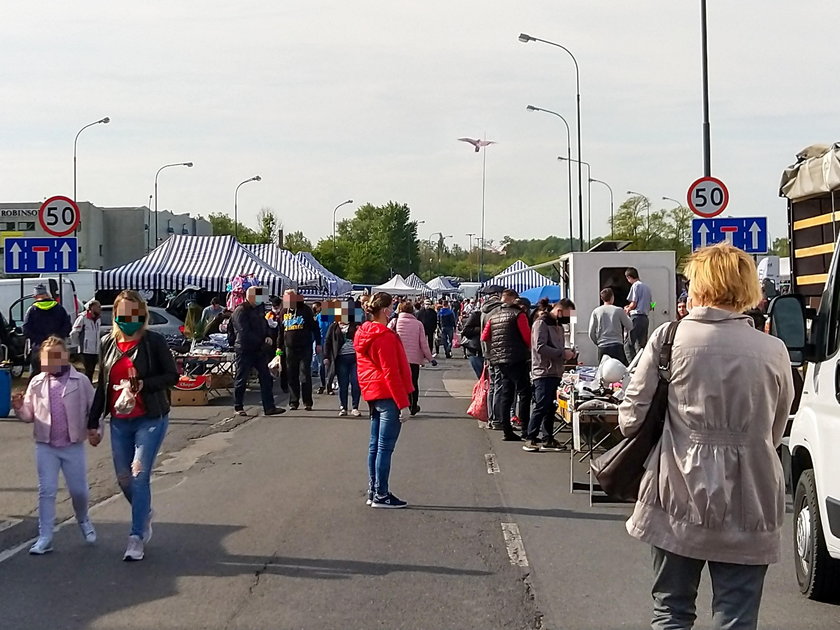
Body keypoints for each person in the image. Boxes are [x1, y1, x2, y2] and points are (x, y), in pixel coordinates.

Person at [619, 243, 794, 629]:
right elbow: (776, 429)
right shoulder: (774, 350)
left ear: (697, 284)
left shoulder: (669, 339)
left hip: (678, 491)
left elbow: (631, 419)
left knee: (671, 611)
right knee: (737, 617)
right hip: (752, 494)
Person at [87, 290, 180, 561]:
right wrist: (93, 422)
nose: (129, 319)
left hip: (151, 418)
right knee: (124, 479)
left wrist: (143, 385)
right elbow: (102, 386)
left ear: (142, 315)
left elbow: (172, 375)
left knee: (139, 474)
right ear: (115, 315)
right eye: (123, 314)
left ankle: (136, 536)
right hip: (120, 421)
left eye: (134, 314)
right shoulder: (108, 343)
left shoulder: (154, 341)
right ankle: (145, 511)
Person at [14, 336, 97, 554]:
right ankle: (45, 536)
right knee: (47, 490)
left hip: (72, 445)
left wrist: (95, 431)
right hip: (46, 445)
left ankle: (83, 518)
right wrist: (19, 407)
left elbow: (94, 411)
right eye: (47, 357)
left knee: (79, 491)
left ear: (66, 356)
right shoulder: (37, 382)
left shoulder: (81, 381)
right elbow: (29, 415)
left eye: (57, 356)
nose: (52, 361)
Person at [354, 292, 414, 508]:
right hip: (387, 393)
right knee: (385, 447)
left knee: (375, 446)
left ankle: (374, 490)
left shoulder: (364, 332)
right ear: (387, 310)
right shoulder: (384, 336)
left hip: (373, 392)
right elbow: (391, 372)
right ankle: (381, 493)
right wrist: (404, 403)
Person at [481, 289, 531, 441]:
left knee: (506, 393)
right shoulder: (519, 315)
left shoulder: (494, 316)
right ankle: (525, 428)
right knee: (524, 392)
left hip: (498, 359)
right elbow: (527, 338)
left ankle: (506, 430)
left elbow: (484, 336)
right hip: (516, 357)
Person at [228, 287, 285, 418]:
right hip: (245, 349)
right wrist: (261, 341)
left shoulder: (259, 309)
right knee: (242, 377)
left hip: (259, 350)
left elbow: (264, 325)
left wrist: (268, 336)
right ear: (251, 296)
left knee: (266, 377)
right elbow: (244, 332)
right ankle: (238, 406)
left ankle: (269, 407)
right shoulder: (240, 310)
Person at [522, 303, 567, 452]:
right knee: (541, 405)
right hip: (543, 371)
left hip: (555, 370)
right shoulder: (541, 324)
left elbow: (557, 347)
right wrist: (561, 353)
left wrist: (567, 352)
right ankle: (530, 437)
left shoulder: (558, 326)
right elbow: (540, 347)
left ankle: (548, 438)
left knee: (550, 406)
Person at [389, 301, 433, 415]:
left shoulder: (395, 322)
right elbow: (423, 343)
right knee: (413, 383)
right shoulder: (418, 324)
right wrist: (430, 358)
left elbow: (385, 336)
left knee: (398, 383)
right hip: (413, 360)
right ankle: (413, 406)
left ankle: (399, 405)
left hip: (397, 358)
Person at [282, 289, 320, 410]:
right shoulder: (283, 311)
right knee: (292, 375)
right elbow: (280, 331)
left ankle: (307, 401)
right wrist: (278, 349)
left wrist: (318, 343)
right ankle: (293, 401)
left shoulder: (305, 310)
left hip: (304, 347)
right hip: (289, 348)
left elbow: (315, 328)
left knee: (304, 374)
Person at [23, 284, 71, 376]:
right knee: (59, 376)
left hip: (39, 348)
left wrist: (39, 339)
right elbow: (67, 326)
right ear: (47, 294)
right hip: (57, 348)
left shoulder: (32, 310)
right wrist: (57, 338)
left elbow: (26, 329)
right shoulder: (59, 308)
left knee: (37, 377)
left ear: (37, 296)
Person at [324, 303, 362, 416]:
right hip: (340, 359)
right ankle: (343, 407)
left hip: (355, 358)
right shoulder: (333, 326)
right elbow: (328, 341)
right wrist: (326, 357)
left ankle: (355, 407)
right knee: (343, 384)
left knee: (355, 383)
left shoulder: (356, 325)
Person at [589, 288, 634, 365]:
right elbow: (630, 326)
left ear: (602, 298)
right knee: (618, 373)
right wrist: (626, 314)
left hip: (602, 347)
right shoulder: (618, 310)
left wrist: (598, 343)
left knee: (603, 372)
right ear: (612, 297)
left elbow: (591, 332)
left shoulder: (596, 311)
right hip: (617, 346)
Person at [624, 267, 653, 363]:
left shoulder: (635, 286)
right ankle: (642, 364)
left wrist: (627, 308)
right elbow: (652, 305)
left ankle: (632, 366)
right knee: (641, 345)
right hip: (645, 318)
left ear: (629, 277)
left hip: (636, 317)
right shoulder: (647, 288)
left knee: (628, 344)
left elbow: (634, 303)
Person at [70, 299, 102, 380]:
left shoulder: (98, 319)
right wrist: (78, 345)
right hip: (85, 350)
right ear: (92, 307)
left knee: (91, 371)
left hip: (95, 350)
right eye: (98, 307)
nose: (100, 308)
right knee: (88, 370)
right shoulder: (83, 318)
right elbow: (74, 332)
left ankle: (89, 388)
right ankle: (86, 388)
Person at [265, 296, 288, 393]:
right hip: (273, 344)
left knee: (282, 364)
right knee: (272, 364)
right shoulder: (269, 314)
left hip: (279, 343)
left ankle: (284, 386)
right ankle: (271, 385)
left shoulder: (282, 314)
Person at [460, 306, 484, 378]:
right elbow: (465, 331)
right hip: (475, 350)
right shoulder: (476, 315)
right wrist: (481, 329)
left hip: (490, 352)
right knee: (481, 376)